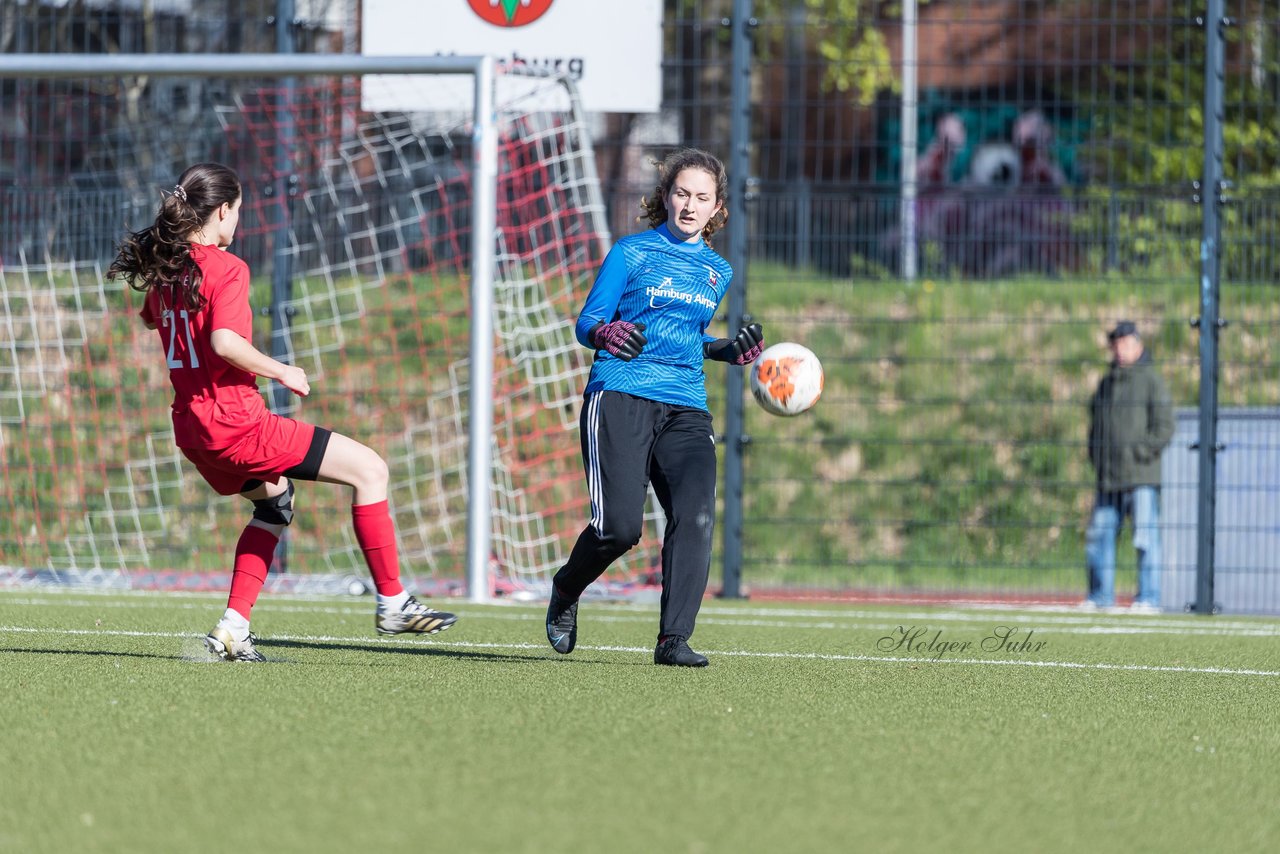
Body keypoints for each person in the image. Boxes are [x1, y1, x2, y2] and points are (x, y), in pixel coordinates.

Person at [108, 162, 456, 662]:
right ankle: (394, 601)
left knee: (275, 504)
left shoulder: (169, 271)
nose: (238, 223)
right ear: (223, 211)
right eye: (238, 212)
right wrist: (282, 371)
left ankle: (232, 629)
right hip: (237, 423)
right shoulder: (227, 269)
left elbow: (153, 320)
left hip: (192, 428)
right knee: (371, 470)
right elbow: (225, 341)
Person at [544, 148, 763, 667]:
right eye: (681, 193)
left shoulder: (717, 272)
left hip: (685, 405)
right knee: (619, 529)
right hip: (620, 394)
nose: (689, 205)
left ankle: (673, 640)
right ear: (665, 197)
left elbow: (685, 339)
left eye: (701, 197)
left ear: (717, 208)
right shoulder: (632, 253)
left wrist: (725, 350)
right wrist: (606, 331)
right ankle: (566, 589)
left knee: (697, 514)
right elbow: (586, 323)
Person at [1084, 320, 1175, 613]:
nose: (1119, 348)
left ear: (1138, 344)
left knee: (1145, 538)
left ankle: (1148, 597)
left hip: (1140, 475)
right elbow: (1095, 425)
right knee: (1100, 535)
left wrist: (1139, 452)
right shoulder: (1106, 382)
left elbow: (1165, 426)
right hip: (1108, 476)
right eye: (1115, 343)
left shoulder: (1151, 379)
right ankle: (1100, 597)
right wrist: (1096, 457)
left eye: (1124, 342)